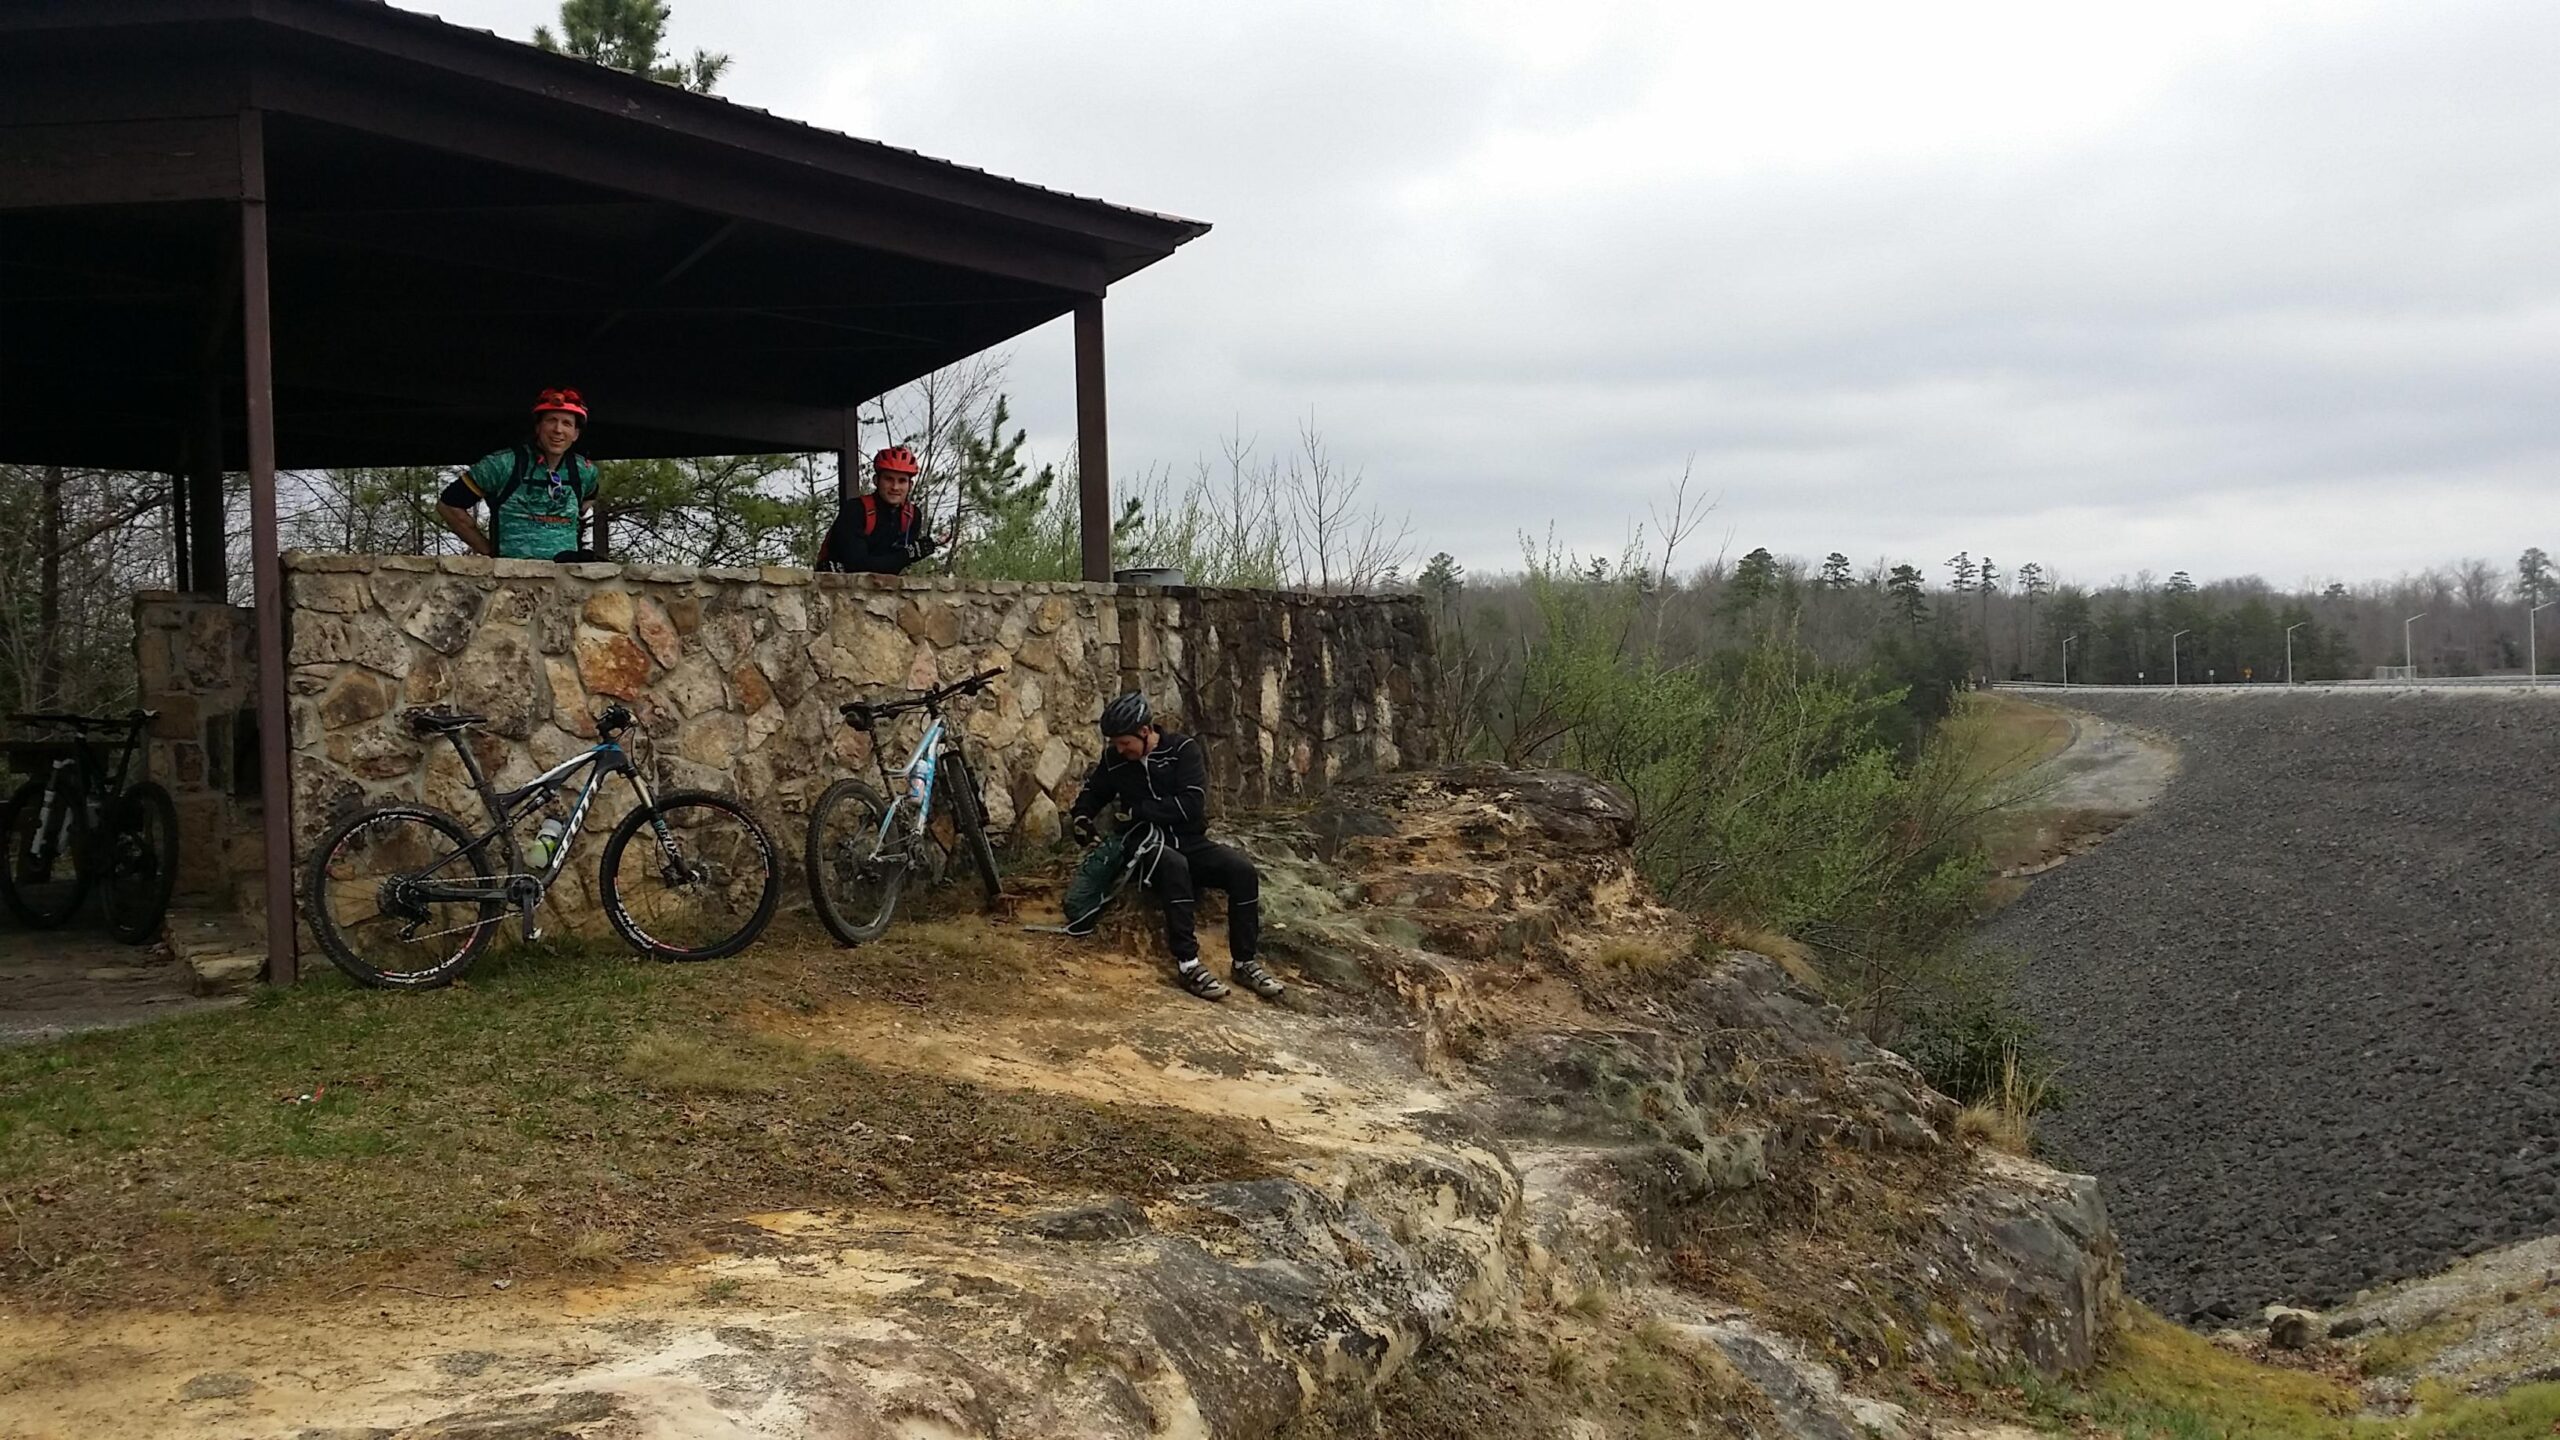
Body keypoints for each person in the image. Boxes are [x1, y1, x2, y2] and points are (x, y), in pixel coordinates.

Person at [1068, 692, 1282, 1002]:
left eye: (1124, 742)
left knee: (1242, 871)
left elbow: (1192, 805)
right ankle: (1188, 965)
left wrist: (1139, 810)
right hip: (1143, 842)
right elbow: (1094, 792)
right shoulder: (1114, 761)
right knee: (1173, 864)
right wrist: (1082, 817)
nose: (1119, 748)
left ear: (1144, 732)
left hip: (1191, 840)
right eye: (1114, 743)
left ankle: (1244, 962)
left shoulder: (1183, 750)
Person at [438, 388, 601, 561]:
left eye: (567, 423)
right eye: (551, 420)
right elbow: (448, 505)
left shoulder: (584, 471)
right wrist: (488, 551)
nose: (558, 430)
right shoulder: (502, 464)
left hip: (566, 580)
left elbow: (589, 497)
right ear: (538, 427)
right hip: (512, 578)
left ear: (575, 434)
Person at [817, 446, 938, 574]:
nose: (895, 487)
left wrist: (909, 555)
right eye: (889, 479)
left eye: (902, 481)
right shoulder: (856, 510)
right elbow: (858, 565)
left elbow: (894, 567)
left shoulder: (911, 516)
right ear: (876, 481)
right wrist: (908, 555)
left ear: (910, 486)